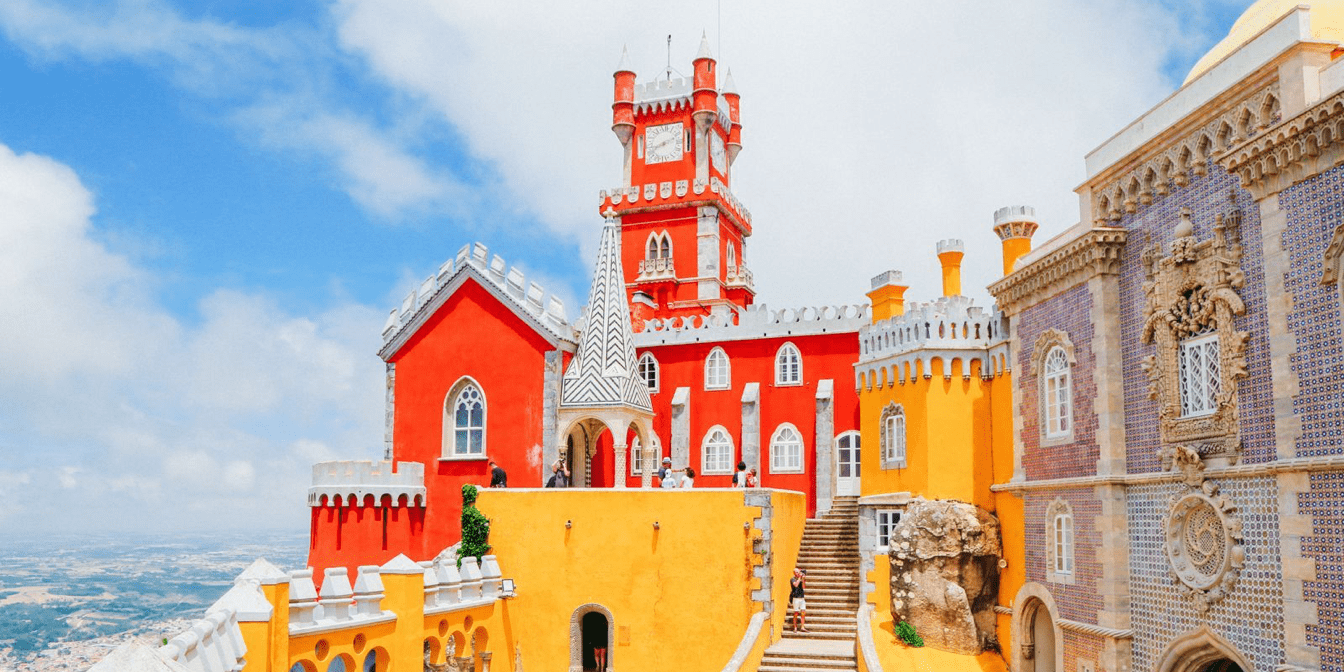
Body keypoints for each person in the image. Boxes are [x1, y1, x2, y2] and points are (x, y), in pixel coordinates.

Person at [789, 568, 808, 632]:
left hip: (802, 598)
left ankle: (802, 627)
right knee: (796, 613)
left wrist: (803, 579)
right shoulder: (792, 579)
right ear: (794, 573)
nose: (798, 573)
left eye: (798, 572)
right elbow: (796, 585)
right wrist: (799, 578)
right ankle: (795, 627)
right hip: (796, 598)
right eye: (796, 572)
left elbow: (803, 587)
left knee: (803, 612)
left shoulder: (801, 578)